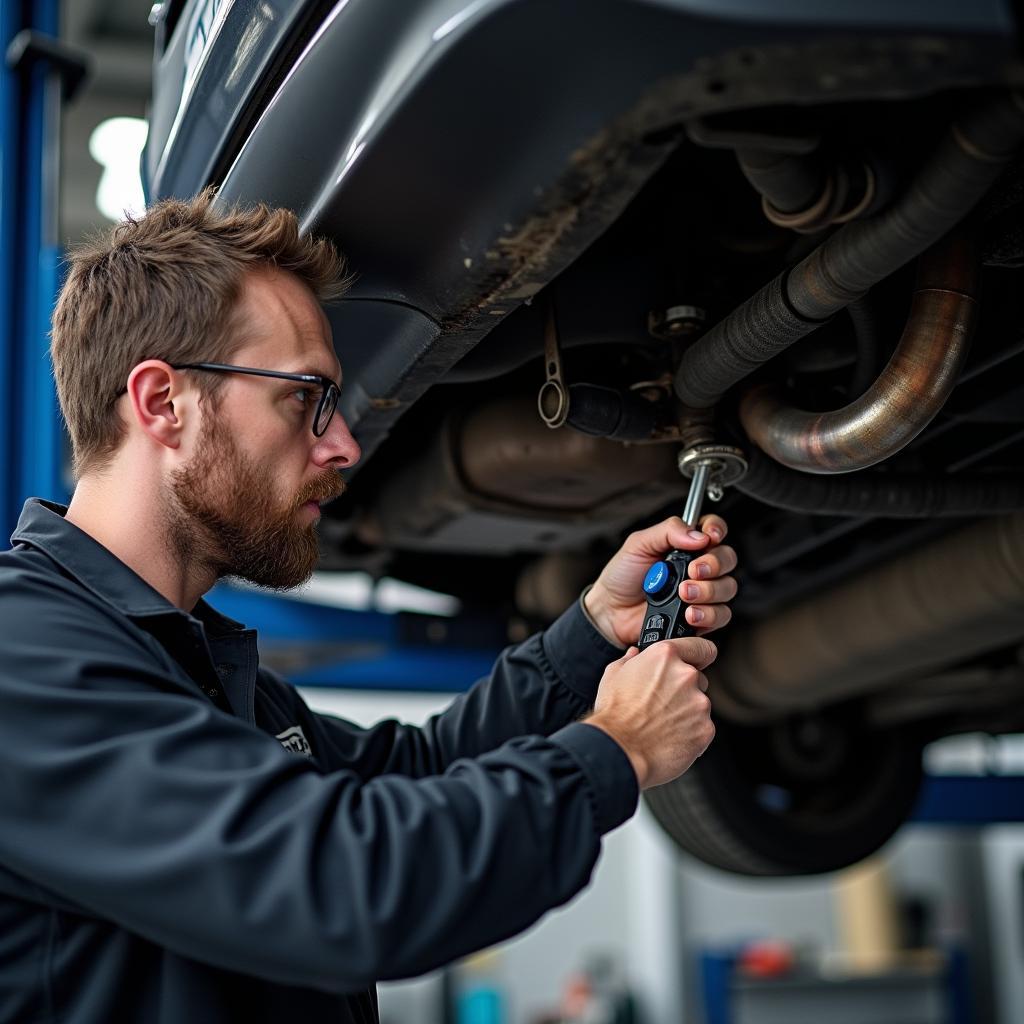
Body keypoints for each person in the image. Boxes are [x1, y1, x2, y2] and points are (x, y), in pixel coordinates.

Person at [0, 192, 738, 1023]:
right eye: (305, 396)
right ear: (163, 403)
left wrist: (592, 635)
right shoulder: (23, 656)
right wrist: (617, 750)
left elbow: (414, 776)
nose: (343, 443)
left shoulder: (195, 666)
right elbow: (349, 886)